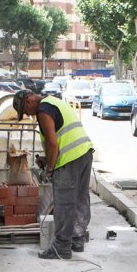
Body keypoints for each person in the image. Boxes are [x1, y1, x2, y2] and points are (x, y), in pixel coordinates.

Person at [12, 89, 94, 260]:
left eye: (25, 111)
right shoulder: (54, 101)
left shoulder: (43, 111)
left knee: (64, 203)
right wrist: (47, 159)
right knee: (80, 198)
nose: (28, 115)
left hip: (69, 159)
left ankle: (62, 247)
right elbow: (63, 136)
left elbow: (52, 143)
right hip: (84, 153)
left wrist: (50, 169)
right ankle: (77, 239)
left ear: (28, 101)